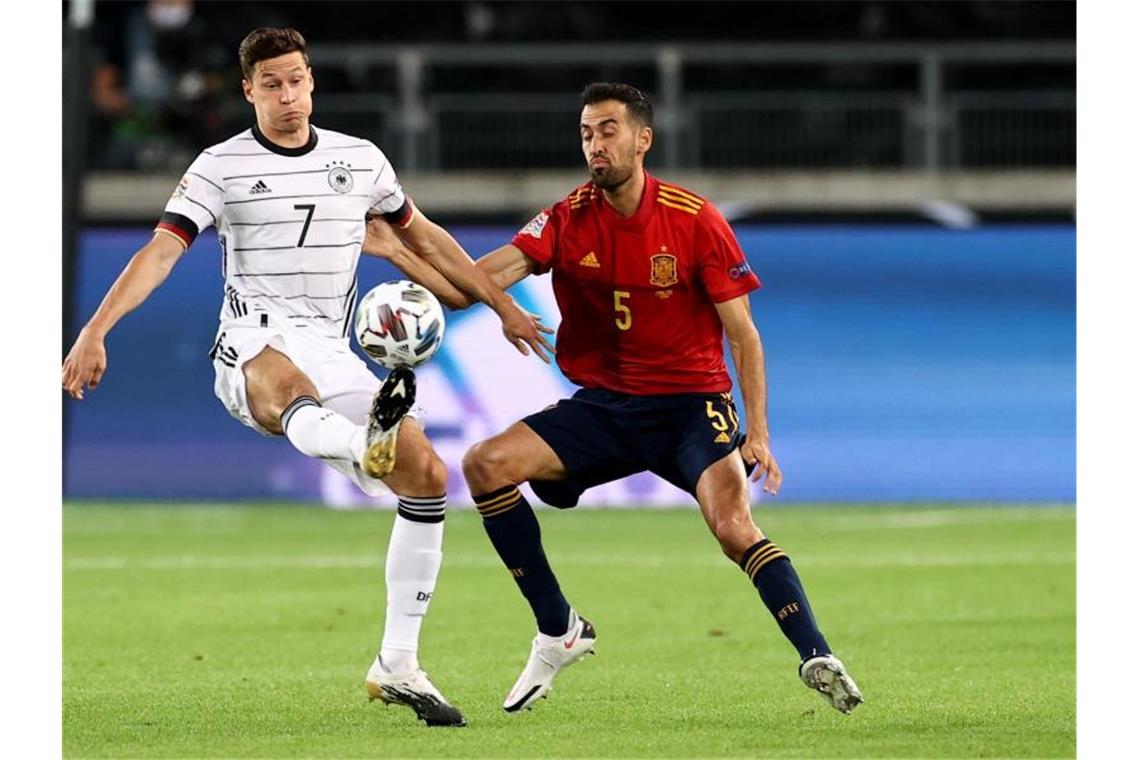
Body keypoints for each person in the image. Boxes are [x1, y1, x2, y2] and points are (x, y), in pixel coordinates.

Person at [62, 27, 552, 728]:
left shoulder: (360, 160)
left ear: (311, 81)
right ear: (248, 91)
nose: (287, 96)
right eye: (271, 85)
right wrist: (95, 330)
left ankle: (399, 663)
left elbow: (429, 239)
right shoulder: (219, 167)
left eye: (296, 81)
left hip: (333, 345)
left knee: (423, 471)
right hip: (252, 341)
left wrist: (502, 305)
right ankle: (361, 446)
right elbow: (161, 252)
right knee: (285, 387)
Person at [372, 82, 864, 716]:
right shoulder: (567, 217)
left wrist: (759, 431)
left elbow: (743, 333)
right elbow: (473, 285)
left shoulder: (694, 220)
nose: (595, 145)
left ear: (642, 139)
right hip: (604, 406)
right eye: (585, 133)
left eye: (607, 131)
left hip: (691, 406)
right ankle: (559, 627)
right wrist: (398, 252)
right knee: (485, 465)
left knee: (734, 527)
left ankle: (816, 654)